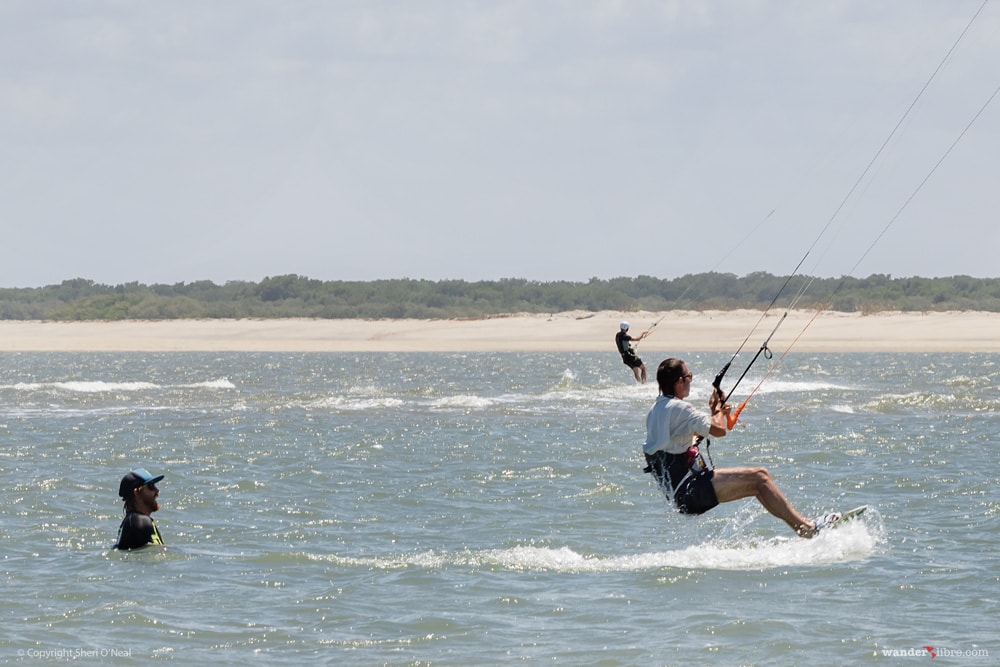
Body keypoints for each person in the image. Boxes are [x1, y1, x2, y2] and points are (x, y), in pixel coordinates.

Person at [643, 358, 824, 537]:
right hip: (691, 491)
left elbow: (673, 445)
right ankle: (807, 528)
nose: (691, 380)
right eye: (689, 376)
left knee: (759, 482)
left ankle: (803, 526)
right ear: (680, 381)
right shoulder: (681, 409)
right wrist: (718, 411)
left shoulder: (656, 410)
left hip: (681, 495)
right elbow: (719, 430)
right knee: (760, 477)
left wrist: (716, 413)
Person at [116, 468, 166, 550]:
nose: (157, 490)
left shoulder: (132, 521)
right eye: (151, 486)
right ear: (136, 492)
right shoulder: (140, 522)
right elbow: (158, 553)